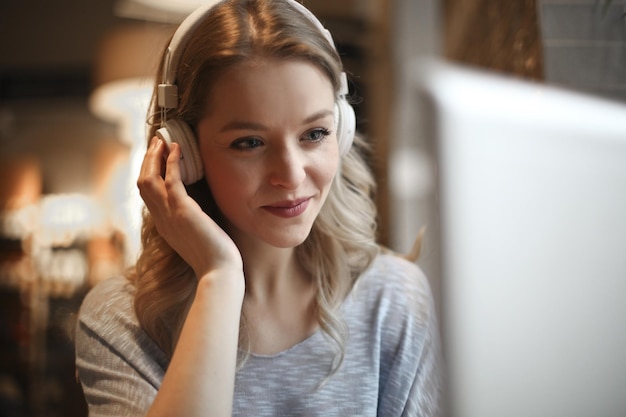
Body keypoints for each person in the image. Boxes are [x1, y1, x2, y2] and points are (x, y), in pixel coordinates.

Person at [74, 0, 442, 415]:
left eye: (315, 133)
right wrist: (219, 278)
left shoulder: (393, 300)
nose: (290, 175)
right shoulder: (121, 320)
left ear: (341, 131)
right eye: (249, 142)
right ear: (183, 152)